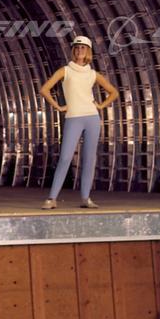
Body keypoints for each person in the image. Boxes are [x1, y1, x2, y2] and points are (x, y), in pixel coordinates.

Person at [39, 35, 119, 208]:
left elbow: (114, 92)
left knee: (89, 159)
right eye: (77, 47)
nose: (79, 50)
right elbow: (44, 89)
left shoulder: (93, 74)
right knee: (65, 157)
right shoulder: (65, 71)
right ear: (73, 50)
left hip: (92, 118)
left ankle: (85, 198)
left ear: (88, 51)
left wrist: (101, 105)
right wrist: (58, 107)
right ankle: (51, 199)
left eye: (83, 47)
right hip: (73, 117)